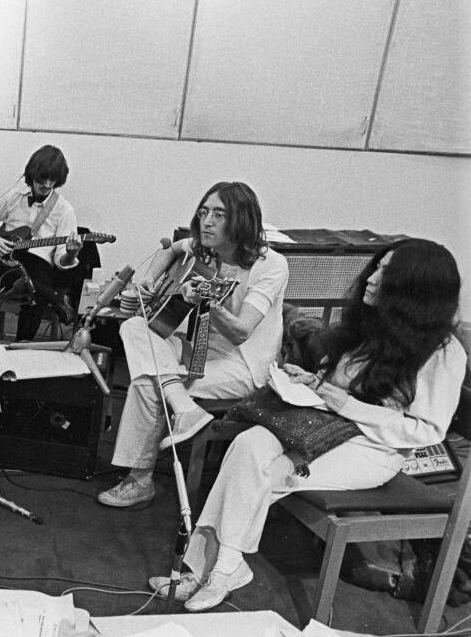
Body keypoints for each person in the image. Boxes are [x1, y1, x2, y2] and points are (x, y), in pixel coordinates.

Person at [150, 239, 466, 611]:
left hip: (375, 449)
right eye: (377, 266)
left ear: (414, 288)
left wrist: (349, 405)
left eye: (386, 272)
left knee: (267, 469)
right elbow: (342, 384)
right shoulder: (372, 326)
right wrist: (313, 382)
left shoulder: (444, 352)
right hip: (323, 424)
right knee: (249, 444)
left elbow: (427, 431)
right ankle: (221, 567)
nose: (371, 277)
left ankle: (216, 568)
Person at [98, 182, 289, 508]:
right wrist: (150, 279)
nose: (206, 222)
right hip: (198, 351)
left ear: (241, 220)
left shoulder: (270, 265)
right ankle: (182, 406)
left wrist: (208, 302)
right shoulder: (204, 249)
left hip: (243, 365)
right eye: (203, 212)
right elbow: (172, 249)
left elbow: (241, 332)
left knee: (148, 381)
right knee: (134, 326)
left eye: (218, 214)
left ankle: (139, 479)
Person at [0, 145, 83, 341]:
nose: (47, 184)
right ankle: (51, 295)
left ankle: (20, 346)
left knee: (33, 295)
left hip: (39, 265)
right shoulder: (14, 197)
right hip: (7, 259)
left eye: (52, 180)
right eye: (42, 179)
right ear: (31, 175)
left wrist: (71, 254)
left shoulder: (65, 210)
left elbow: (59, 260)